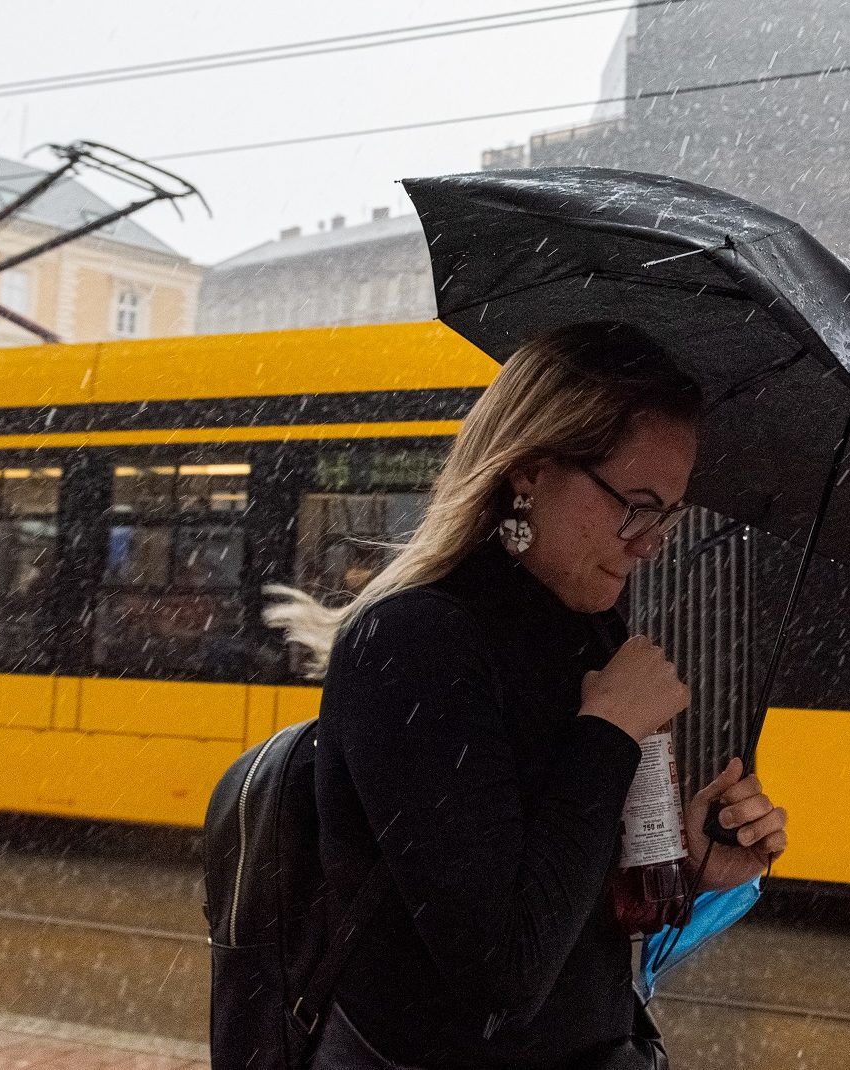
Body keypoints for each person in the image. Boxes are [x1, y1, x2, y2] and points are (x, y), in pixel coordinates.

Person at [266, 321, 789, 1069]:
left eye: (668, 513)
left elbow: (576, 923)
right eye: (635, 503)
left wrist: (695, 870)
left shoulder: (588, 635)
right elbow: (503, 972)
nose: (648, 542)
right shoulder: (414, 641)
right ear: (530, 471)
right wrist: (606, 731)